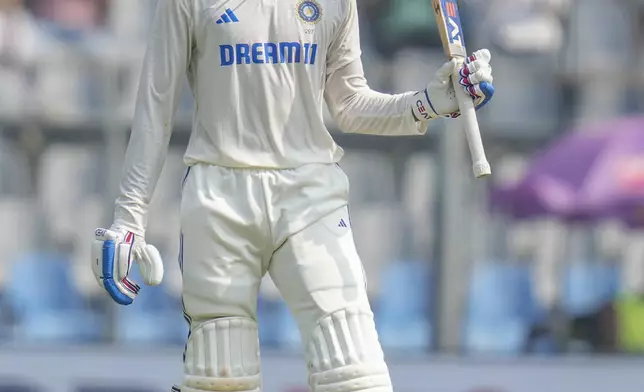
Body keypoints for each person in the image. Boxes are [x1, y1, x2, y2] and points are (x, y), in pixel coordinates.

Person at [91, 0, 494, 391]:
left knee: (354, 373)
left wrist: (427, 104)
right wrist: (130, 215)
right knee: (219, 375)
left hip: (310, 194)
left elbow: (350, 103)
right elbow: (154, 110)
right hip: (219, 196)